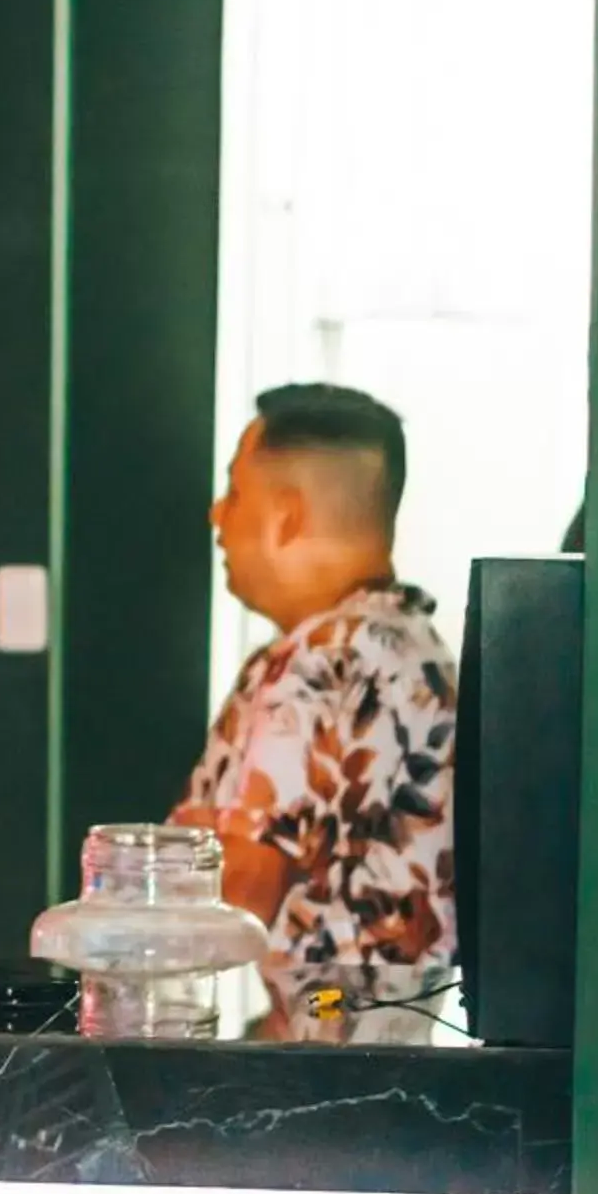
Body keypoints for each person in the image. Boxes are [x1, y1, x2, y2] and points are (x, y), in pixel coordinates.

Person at [182, 382, 458, 1043]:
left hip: (321, 1077)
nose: (217, 516)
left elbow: (238, 892)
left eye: (236, 493)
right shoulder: (421, 648)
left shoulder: (317, 664)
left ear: (286, 515)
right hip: (394, 1058)